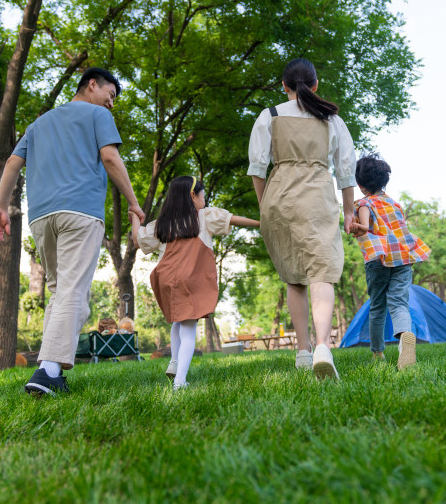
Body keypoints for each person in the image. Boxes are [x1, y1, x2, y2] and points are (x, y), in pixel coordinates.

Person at [0, 67, 145, 396]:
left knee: (60, 291)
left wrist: (0, 207)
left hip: (41, 217)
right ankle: (47, 372)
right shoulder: (96, 114)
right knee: (75, 293)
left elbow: (13, 164)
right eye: (110, 95)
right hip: (81, 212)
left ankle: (50, 371)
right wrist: (133, 202)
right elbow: (111, 158)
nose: (111, 103)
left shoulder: (38, 124)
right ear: (92, 85)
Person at [248, 58, 356, 379]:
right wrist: (349, 210)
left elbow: (257, 167)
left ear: (284, 86)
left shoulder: (270, 115)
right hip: (318, 197)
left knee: (293, 275)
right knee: (321, 271)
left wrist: (264, 205)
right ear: (315, 85)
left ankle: (304, 351)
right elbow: (346, 169)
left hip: (278, 199)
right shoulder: (332, 119)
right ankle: (324, 345)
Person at [130, 176, 259, 390]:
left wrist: (135, 216)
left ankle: (174, 362)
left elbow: (138, 240)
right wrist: (261, 223)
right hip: (189, 278)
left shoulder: (163, 223)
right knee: (189, 329)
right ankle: (180, 381)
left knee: (178, 321)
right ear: (192, 195)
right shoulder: (203, 217)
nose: (204, 197)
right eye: (202, 193)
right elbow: (233, 220)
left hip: (166, 278)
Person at [351, 153, 430, 370]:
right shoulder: (395, 204)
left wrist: (361, 228)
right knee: (399, 303)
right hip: (403, 258)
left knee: (377, 306)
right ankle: (405, 336)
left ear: (359, 184)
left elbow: (366, 225)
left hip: (378, 259)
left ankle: (378, 354)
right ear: (384, 181)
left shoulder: (364, 204)